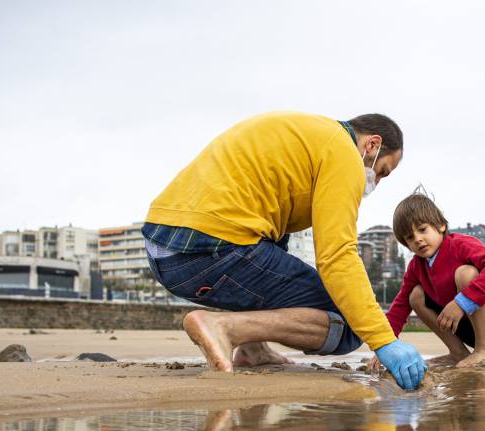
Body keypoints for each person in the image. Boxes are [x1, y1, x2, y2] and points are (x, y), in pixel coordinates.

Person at [142, 111, 427, 390]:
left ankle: (253, 350)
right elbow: (337, 256)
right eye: (381, 171)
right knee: (350, 325)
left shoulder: (305, 134)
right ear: (372, 145)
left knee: (272, 258)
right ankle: (225, 328)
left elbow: (271, 250)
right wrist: (384, 341)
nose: (375, 181)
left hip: (164, 249)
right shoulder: (343, 153)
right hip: (209, 250)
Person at [377, 193, 485, 368]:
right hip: (467, 326)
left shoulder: (461, 245)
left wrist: (461, 303)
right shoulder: (416, 266)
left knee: (465, 273)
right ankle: (458, 353)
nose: (417, 239)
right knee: (415, 295)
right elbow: (400, 307)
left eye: (422, 229)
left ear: (441, 225)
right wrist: (385, 346)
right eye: (409, 237)